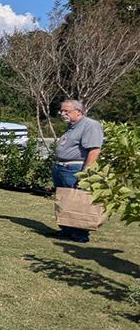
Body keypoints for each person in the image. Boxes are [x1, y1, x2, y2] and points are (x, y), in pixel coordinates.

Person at [52, 99, 104, 243]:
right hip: (61, 168)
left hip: (74, 169)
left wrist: (85, 173)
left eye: (66, 111)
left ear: (78, 112)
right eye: (61, 111)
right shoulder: (72, 126)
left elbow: (94, 150)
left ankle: (80, 233)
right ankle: (67, 230)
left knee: (78, 200)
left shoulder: (90, 125)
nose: (62, 114)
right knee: (64, 200)